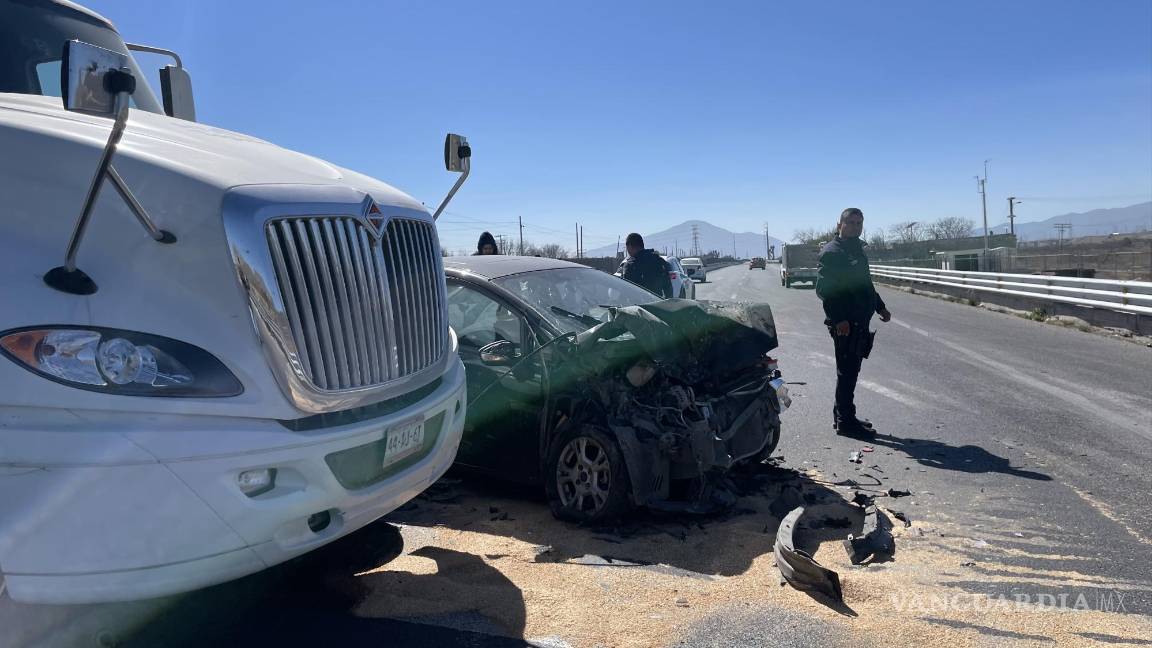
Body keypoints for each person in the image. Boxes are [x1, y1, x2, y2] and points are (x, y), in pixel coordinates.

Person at [815, 208, 892, 437]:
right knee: (847, 372)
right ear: (839, 224)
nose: (855, 227)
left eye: (859, 223)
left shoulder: (857, 250)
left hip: (859, 320)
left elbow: (865, 285)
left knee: (850, 371)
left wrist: (880, 306)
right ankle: (846, 422)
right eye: (851, 222)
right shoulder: (833, 252)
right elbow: (825, 290)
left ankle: (843, 415)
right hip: (846, 323)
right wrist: (839, 319)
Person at [619, 233, 673, 298]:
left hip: (637, 306)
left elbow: (625, 292)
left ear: (629, 246)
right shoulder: (659, 261)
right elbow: (668, 288)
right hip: (657, 303)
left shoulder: (630, 265)